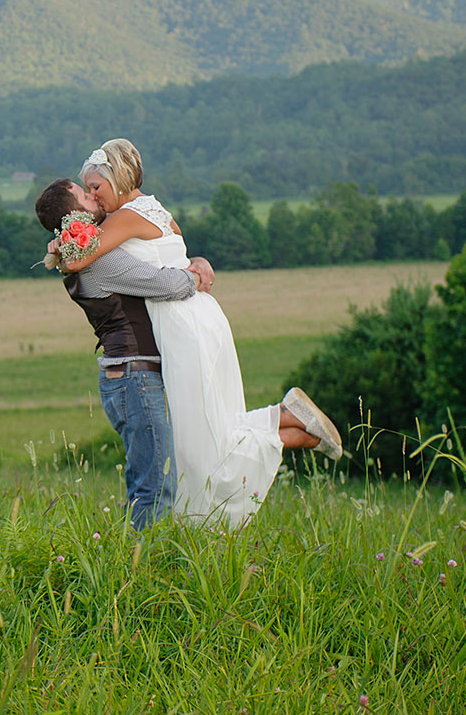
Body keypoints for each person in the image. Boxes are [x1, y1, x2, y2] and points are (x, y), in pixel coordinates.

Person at [59, 139, 342, 526]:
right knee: (210, 425)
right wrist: (200, 262)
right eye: (88, 189)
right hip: (201, 316)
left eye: (96, 187)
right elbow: (181, 253)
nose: (94, 195)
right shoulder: (157, 210)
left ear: (120, 179)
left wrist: (57, 242)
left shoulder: (123, 218)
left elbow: (81, 257)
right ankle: (283, 419)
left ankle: (280, 429)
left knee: (198, 444)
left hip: (180, 323)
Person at [33, 178, 211, 529]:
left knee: (151, 481)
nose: (94, 197)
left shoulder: (87, 255)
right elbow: (166, 285)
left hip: (132, 377)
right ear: (75, 214)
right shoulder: (97, 263)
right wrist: (195, 276)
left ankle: (141, 561)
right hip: (134, 378)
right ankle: (142, 568)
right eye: (85, 195)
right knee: (155, 486)